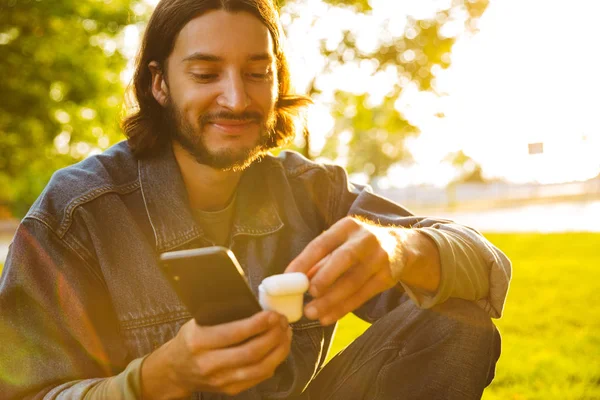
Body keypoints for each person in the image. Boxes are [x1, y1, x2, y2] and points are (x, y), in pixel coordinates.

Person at [0, 0, 511, 398]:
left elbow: (487, 271)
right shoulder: (77, 212)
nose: (237, 99)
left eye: (256, 72)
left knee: (456, 322)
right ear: (159, 84)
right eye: (205, 74)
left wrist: (402, 250)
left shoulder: (312, 189)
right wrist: (156, 378)